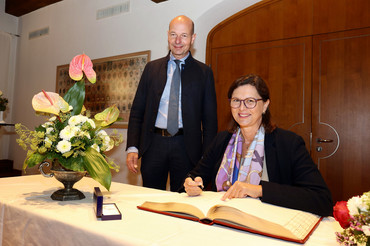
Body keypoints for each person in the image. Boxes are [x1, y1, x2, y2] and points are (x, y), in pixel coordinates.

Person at [183, 74, 333, 216]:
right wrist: (191, 184)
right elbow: (196, 175)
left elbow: (321, 199)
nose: (242, 108)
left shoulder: (288, 143)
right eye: (236, 101)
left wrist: (260, 190)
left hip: (268, 224)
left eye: (250, 101)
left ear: (265, 105)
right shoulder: (222, 140)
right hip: (224, 219)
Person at [126, 15, 218, 192]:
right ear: (167, 35)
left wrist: (207, 159)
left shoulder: (204, 73)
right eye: (173, 34)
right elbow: (137, 111)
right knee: (151, 201)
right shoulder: (151, 69)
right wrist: (132, 146)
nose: (178, 41)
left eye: (184, 35)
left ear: (193, 38)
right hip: (153, 146)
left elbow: (210, 121)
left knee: (183, 203)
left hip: (188, 149)